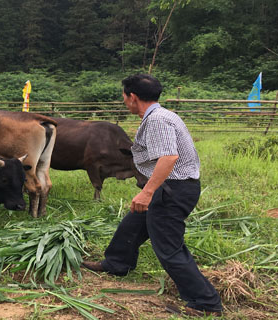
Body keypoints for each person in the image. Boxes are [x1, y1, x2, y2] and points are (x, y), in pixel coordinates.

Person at [81, 74, 223, 316]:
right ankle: (117, 263)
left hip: (173, 189)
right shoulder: (163, 115)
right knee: (133, 224)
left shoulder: (157, 120)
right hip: (172, 187)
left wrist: (147, 193)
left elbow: (169, 157)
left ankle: (205, 302)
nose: (124, 101)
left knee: (168, 247)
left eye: (124, 97)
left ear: (132, 97)